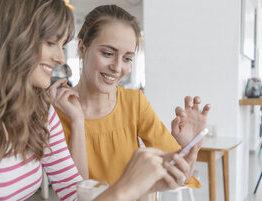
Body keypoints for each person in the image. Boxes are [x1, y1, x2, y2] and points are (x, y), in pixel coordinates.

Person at [0, 0, 197, 201]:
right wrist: (124, 188)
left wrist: (142, 185)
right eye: (51, 42)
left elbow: (76, 197)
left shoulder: (38, 111)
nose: (61, 58)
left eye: (62, 44)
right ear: (8, 38)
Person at [52, 4, 210, 186]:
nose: (118, 68)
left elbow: (181, 177)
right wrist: (77, 122)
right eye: (108, 53)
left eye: (127, 58)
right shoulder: (57, 112)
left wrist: (189, 148)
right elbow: (77, 194)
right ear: (81, 48)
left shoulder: (134, 103)